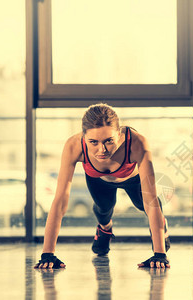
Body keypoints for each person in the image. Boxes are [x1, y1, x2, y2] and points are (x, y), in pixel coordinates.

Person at [34, 103, 170, 269]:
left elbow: (151, 201)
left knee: (144, 205)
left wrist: (160, 255)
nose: (102, 150)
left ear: (119, 135)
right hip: (99, 180)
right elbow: (60, 200)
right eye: (93, 142)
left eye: (109, 141)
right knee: (103, 209)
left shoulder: (137, 143)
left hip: (132, 179)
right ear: (83, 137)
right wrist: (48, 254)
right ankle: (105, 229)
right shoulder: (74, 145)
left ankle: (161, 225)